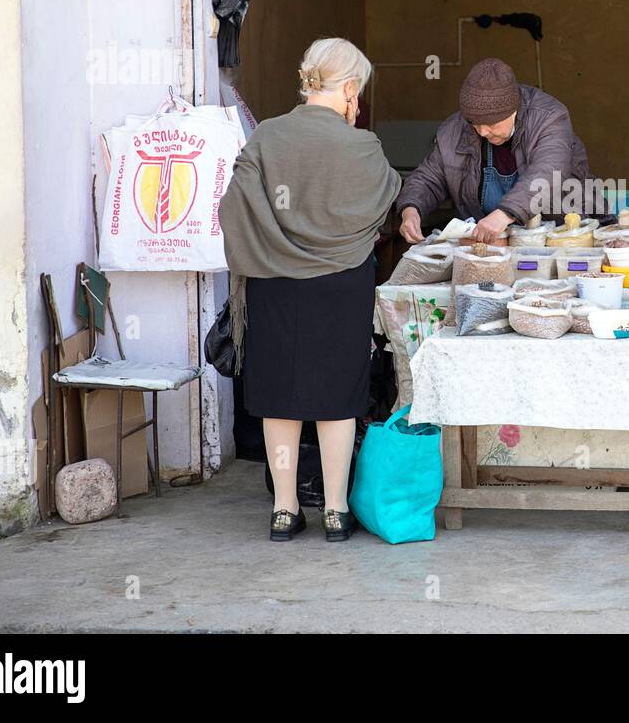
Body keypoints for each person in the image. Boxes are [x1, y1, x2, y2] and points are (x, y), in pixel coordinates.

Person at [219, 38, 401, 542]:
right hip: (342, 285)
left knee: (281, 395)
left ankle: (284, 510)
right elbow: (383, 200)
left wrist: (274, 244)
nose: (357, 104)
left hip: (275, 283)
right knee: (338, 396)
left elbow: (233, 208)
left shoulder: (266, 138)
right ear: (346, 89)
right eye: (357, 93)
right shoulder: (363, 146)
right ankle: (337, 512)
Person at [396, 58, 590, 244]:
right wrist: (411, 209)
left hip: (557, 239)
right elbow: (429, 177)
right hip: (489, 245)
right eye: (474, 123)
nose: (482, 131)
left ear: (513, 111)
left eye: (491, 123)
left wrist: (505, 214)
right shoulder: (453, 130)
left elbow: (549, 172)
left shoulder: (549, 118)